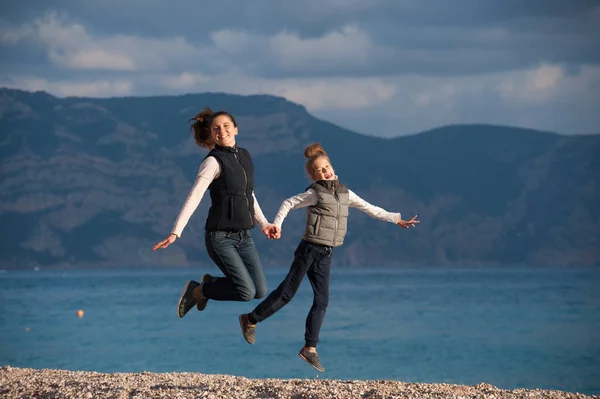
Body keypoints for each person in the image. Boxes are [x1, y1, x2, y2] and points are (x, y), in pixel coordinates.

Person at [238, 143, 419, 372]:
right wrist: (278, 225)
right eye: (319, 171)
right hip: (308, 250)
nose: (325, 172)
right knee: (287, 294)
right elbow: (288, 203)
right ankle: (250, 320)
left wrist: (396, 219)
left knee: (322, 301)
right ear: (313, 176)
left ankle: (309, 349)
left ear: (332, 167)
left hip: (325, 253)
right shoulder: (315, 193)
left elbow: (370, 208)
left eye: (327, 167)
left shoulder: (345, 192)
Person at [152, 108, 276, 318]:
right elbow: (194, 197)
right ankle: (199, 290)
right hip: (220, 237)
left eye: (226, 126)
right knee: (246, 292)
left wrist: (264, 224)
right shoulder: (212, 162)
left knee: (260, 290)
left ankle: (209, 283)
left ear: (235, 129)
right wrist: (176, 232)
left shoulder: (245, 156)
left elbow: (248, 195)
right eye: (216, 128)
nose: (222, 131)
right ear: (211, 134)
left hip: (244, 236)